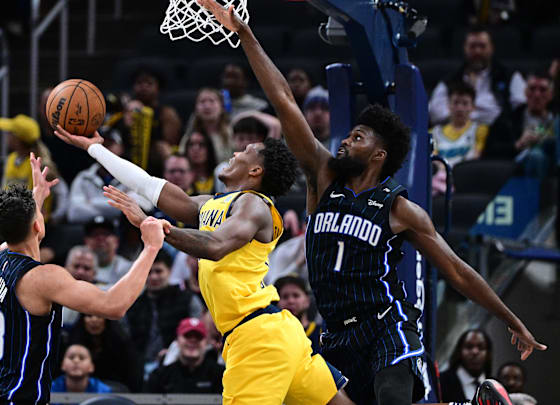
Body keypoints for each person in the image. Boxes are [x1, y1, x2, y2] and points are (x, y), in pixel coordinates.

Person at [197, 2, 545, 405]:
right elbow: (284, 101)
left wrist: (512, 320)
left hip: (385, 326)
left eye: (358, 137)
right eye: (349, 135)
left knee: (392, 399)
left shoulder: (399, 209)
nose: (346, 140)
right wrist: (246, 35)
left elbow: (457, 270)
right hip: (335, 333)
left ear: (380, 155)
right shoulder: (323, 176)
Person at [55, 120, 352, 404]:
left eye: (244, 152)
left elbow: (216, 246)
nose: (235, 153)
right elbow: (149, 185)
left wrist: (152, 225)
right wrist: (95, 149)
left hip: (257, 337)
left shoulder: (254, 204)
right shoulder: (212, 204)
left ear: (256, 170)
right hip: (273, 331)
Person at [0, 153, 166, 404]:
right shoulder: (43, 278)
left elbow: (22, 229)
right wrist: (151, 248)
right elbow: (114, 305)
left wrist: (38, 193)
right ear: (37, 225)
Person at [125, 249, 203, 373]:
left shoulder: (188, 300)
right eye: (149, 272)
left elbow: (199, 334)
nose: (153, 277)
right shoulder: (133, 304)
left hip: (178, 365)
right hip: (138, 366)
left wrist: (175, 351)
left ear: (170, 270)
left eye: (158, 271)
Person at [428, 26, 525, 126]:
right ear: (465, 48)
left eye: (482, 46)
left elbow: (521, 107)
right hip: (458, 134)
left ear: (491, 48)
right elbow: (434, 112)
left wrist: (462, 115)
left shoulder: (509, 76)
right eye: (472, 46)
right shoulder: (452, 79)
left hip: (497, 135)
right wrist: (471, 117)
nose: (477, 51)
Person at [431, 82, 489, 195]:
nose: (460, 108)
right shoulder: (434, 133)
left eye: (465, 103)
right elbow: (436, 162)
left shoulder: (481, 130)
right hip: (441, 184)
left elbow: (476, 155)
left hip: (468, 181)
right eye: (456, 103)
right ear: (449, 105)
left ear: (473, 107)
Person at [145, 317, 223, 394]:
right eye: (187, 336)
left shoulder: (220, 375)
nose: (193, 340)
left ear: (205, 342)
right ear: (177, 340)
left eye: (198, 336)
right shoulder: (160, 376)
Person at [68, 313, 142, 392]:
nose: (94, 320)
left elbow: (132, 374)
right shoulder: (73, 342)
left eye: (99, 316)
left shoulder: (120, 342)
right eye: (89, 316)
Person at [180, 88, 234, 163]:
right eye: (202, 102)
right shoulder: (189, 136)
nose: (207, 106)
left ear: (222, 107)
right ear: (196, 108)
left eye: (212, 101)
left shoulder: (231, 134)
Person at [440, 329, 493, 402]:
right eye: (469, 347)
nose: (475, 352)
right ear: (459, 351)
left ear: (488, 353)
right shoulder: (440, 382)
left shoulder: (495, 386)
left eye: (481, 347)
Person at [275, 276, 322, 355]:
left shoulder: (322, 332)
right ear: (277, 303)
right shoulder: (275, 336)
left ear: (307, 300)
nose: (290, 301)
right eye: (285, 297)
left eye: (296, 295)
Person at [83, 215, 132, 285]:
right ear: (86, 241)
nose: (100, 238)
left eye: (105, 234)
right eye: (94, 234)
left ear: (116, 241)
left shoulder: (128, 269)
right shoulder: (77, 267)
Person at [184, 130, 219, 195]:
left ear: (209, 149)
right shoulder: (181, 177)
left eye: (201, 144)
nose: (195, 148)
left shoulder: (218, 176)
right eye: (191, 144)